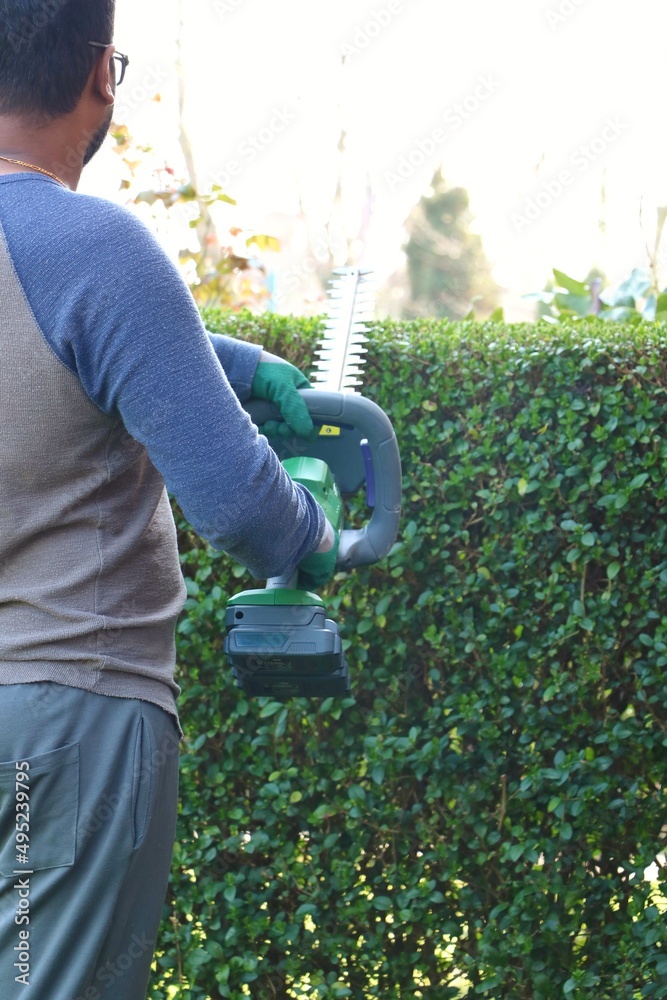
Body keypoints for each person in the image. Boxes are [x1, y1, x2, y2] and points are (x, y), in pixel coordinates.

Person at [0, 2, 336, 997]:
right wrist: (313, 532)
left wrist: (220, 360)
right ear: (100, 72)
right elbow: (243, 507)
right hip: (66, 713)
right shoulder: (94, 245)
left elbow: (47, 345)